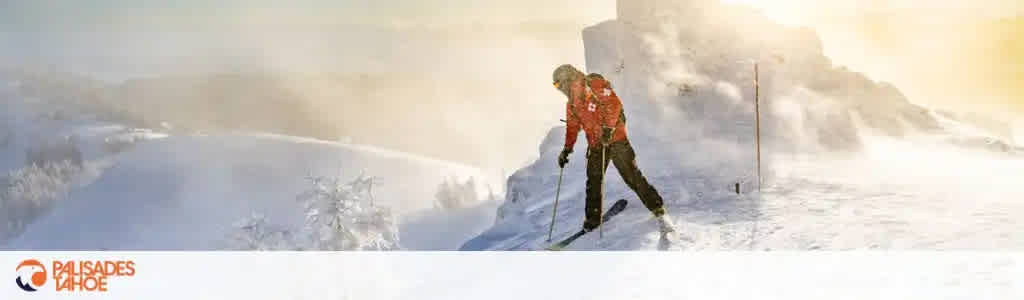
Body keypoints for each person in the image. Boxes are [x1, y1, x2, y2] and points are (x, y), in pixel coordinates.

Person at [551, 64, 676, 234]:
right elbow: (572, 127)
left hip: (616, 140)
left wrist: (609, 129)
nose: (559, 89)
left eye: (558, 84)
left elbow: (614, 104)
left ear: (567, 79)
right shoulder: (572, 104)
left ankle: (657, 208)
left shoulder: (593, 83)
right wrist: (566, 149)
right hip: (596, 145)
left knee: (631, 176)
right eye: (556, 86)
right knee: (593, 181)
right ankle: (592, 220)